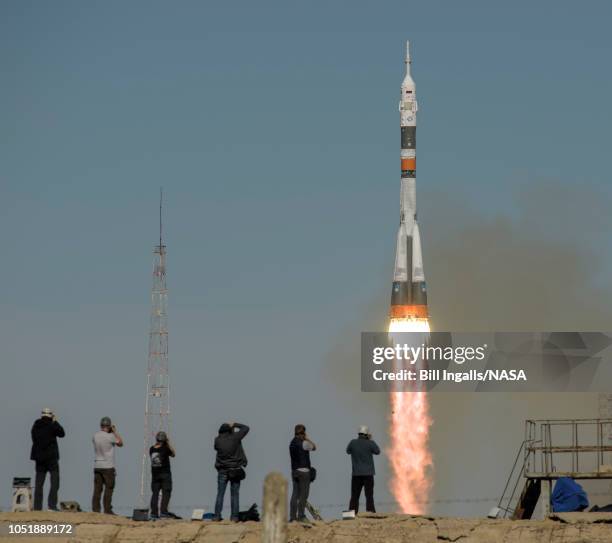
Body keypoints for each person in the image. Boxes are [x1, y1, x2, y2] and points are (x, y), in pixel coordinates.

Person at [30, 408, 65, 511]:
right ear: (51, 415)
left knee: (39, 484)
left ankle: (37, 507)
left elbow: (33, 438)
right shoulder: (52, 425)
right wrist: (55, 421)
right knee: (54, 482)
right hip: (51, 458)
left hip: (39, 458)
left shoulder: (36, 425)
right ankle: (52, 505)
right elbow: (62, 434)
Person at [213, 422, 249, 521]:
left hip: (222, 470)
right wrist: (235, 424)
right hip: (235, 470)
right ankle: (234, 517)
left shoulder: (217, 440)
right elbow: (246, 428)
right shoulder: (235, 437)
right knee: (235, 494)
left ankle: (216, 516)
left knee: (220, 493)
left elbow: (216, 448)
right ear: (230, 430)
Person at [92, 417, 123, 514]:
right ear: (109, 426)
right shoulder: (110, 436)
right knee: (109, 489)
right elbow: (121, 443)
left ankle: (96, 510)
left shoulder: (95, 436)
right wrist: (114, 431)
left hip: (97, 464)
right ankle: (107, 510)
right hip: (108, 466)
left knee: (97, 489)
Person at [346, 425, 380, 514]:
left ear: (359, 433)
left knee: (354, 496)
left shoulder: (352, 442)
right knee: (369, 495)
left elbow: (348, 451)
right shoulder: (370, 443)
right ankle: (371, 512)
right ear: (367, 434)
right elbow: (377, 451)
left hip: (356, 474)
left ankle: (350, 514)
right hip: (368, 474)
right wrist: (370, 440)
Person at [289, 424, 317, 522]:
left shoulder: (291, 443)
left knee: (295, 495)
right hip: (304, 472)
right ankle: (301, 516)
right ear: (303, 432)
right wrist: (307, 438)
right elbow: (314, 447)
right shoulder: (304, 443)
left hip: (294, 471)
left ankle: (292, 517)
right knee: (303, 495)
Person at [149, 431, 176, 519]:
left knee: (155, 494)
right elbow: (173, 454)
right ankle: (163, 511)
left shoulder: (151, 449)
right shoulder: (165, 448)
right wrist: (168, 442)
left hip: (155, 475)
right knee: (166, 492)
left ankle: (154, 513)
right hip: (165, 474)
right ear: (164, 439)